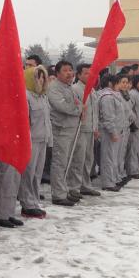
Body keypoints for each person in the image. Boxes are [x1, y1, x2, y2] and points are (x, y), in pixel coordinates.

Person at [17, 65, 51, 219]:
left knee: (37, 173)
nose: (41, 81)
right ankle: (27, 204)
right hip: (31, 141)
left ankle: (34, 201)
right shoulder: (26, 96)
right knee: (28, 174)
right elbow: (25, 122)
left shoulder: (43, 97)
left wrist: (49, 138)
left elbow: (47, 121)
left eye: (43, 77)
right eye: (38, 77)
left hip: (42, 139)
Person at [46, 61, 82, 206]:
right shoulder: (54, 88)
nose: (69, 73)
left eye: (71, 70)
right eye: (65, 70)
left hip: (70, 129)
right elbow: (63, 107)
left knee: (67, 162)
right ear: (58, 73)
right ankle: (58, 194)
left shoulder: (69, 87)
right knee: (59, 163)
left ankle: (64, 190)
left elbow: (78, 103)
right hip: (60, 130)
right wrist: (78, 110)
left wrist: (78, 107)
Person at [69, 63, 100, 197]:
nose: (89, 76)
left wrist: (95, 127)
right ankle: (74, 187)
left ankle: (85, 185)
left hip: (90, 129)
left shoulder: (92, 90)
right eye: (86, 73)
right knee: (78, 160)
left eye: (91, 73)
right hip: (80, 130)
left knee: (88, 159)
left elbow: (95, 112)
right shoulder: (75, 89)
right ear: (79, 75)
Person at [98, 74, 128, 191]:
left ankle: (113, 179)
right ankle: (108, 182)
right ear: (111, 83)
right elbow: (108, 117)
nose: (120, 85)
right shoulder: (107, 97)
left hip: (117, 130)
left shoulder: (114, 95)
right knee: (108, 158)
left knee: (114, 157)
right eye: (118, 82)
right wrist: (113, 132)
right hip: (109, 132)